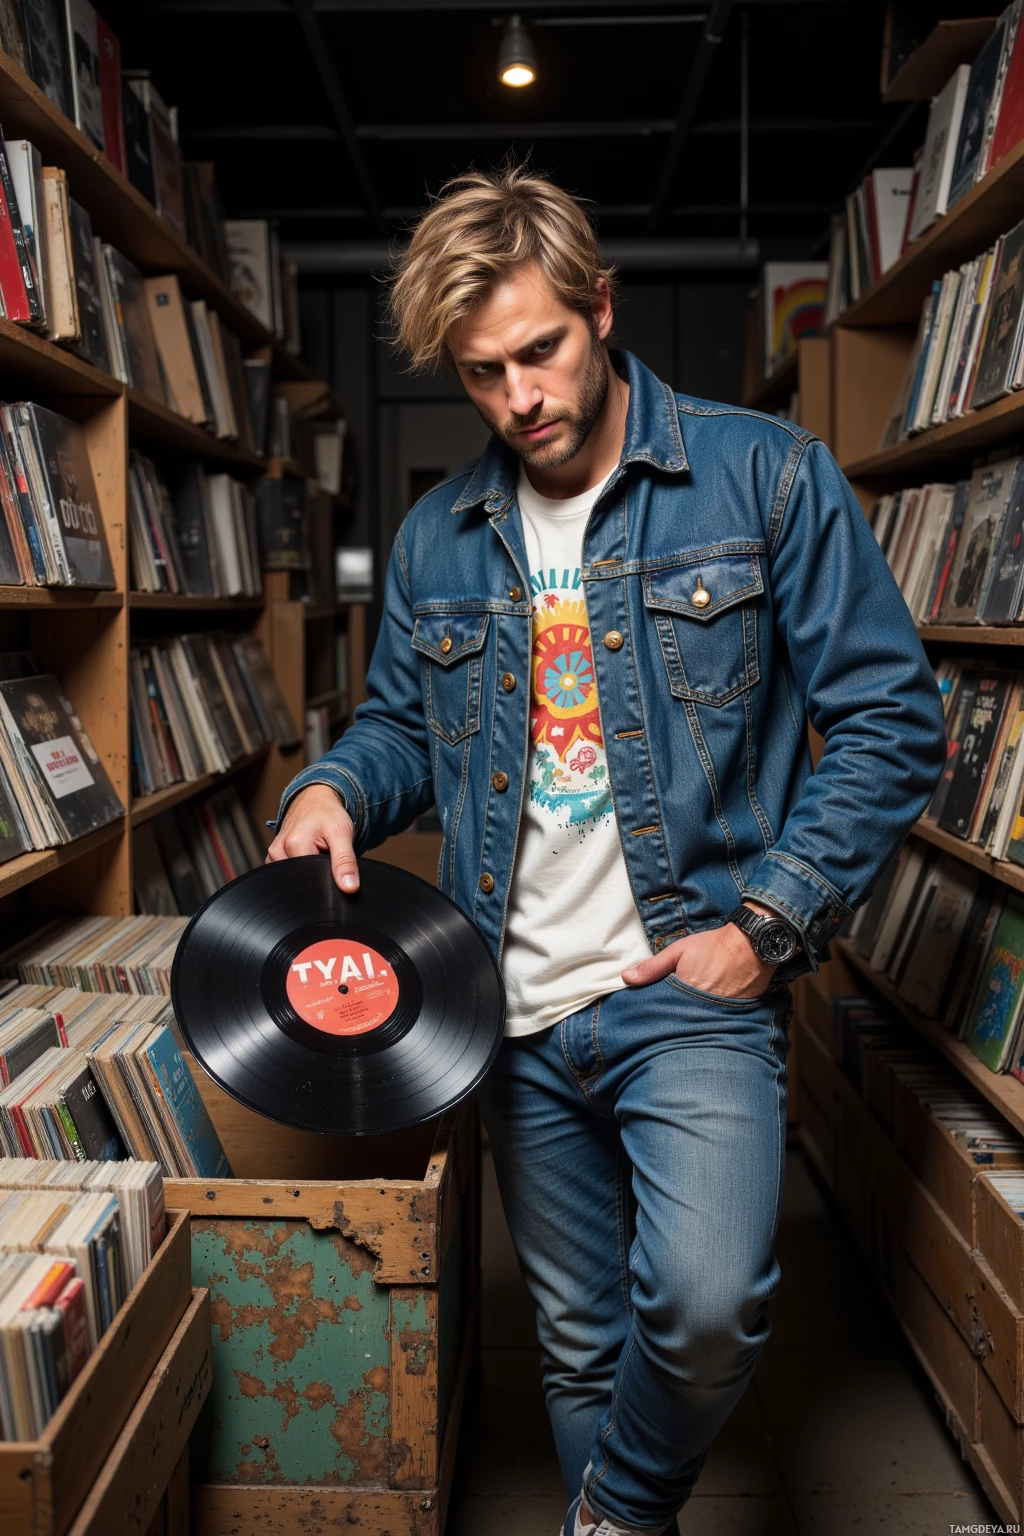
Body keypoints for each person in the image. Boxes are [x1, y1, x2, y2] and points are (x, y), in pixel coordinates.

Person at [267, 163, 946, 1536]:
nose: (519, 396)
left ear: (600, 307)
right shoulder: (438, 537)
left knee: (703, 1307)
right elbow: (404, 727)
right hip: (506, 1008)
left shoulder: (765, 477)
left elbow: (891, 726)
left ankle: (612, 1518)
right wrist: (338, 784)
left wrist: (765, 929)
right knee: (579, 1344)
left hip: (686, 985)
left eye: (541, 349)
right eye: (480, 372)